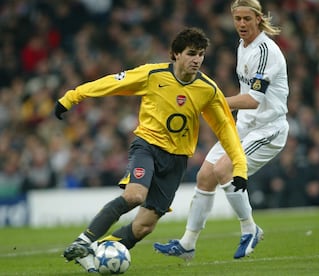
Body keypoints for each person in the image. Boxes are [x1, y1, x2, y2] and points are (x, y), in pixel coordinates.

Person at [54, 27, 248, 272]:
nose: (197, 59)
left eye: (201, 54)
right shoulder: (152, 74)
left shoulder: (208, 90)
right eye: (191, 53)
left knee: (144, 226)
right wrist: (72, 97)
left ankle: (92, 251)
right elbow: (111, 83)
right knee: (135, 195)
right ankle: (84, 240)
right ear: (176, 54)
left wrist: (239, 166)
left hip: (176, 160)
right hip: (147, 146)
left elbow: (225, 128)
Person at [154, 0, 289, 260]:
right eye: (237, 19)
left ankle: (250, 229)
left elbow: (252, 100)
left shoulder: (265, 52)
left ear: (258, 19)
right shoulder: (243, 46)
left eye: (246, 19)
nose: (241, 24)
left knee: (224, 169)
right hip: (245, 126)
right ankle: (187, 244)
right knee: (206, 175)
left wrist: (213, 101)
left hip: (268, 130)